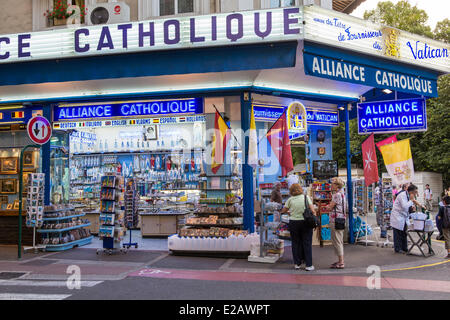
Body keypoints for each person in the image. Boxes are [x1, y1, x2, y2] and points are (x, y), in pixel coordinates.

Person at [280, 183, 317, 271]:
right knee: (307, 243)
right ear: (300, 189)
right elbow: (312, 210)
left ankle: (297, 263)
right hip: (305, 222)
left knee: (295, 243)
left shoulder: (290, 199)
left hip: (293, 223)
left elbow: (283, 210)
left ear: (291, 191)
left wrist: (289, 212)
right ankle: (308, 265)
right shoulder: (306, 197)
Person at [390, 184, 422, 253]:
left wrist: (412, 207)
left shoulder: (408, 196)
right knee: (398, 233)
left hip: (403, 216)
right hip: (397, 216)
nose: (415, 194)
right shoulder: (402, 195)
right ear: (411, 192)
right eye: (415, 192)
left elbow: (408, 206)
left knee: (404, 232)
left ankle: (404, 248)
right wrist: (411, 201)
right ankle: (398, 248)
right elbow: (404, 206)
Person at [325, 177, 347, 269]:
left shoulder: (336, 195)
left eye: (333, 184)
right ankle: (340, 260)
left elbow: (330, 207)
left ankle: (341, 262)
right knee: (339, 240)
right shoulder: (342, 194)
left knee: (337, 241)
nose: (331, 185)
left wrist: (327, 206)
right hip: (341, 219)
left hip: (335, 220)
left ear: (337, 186)